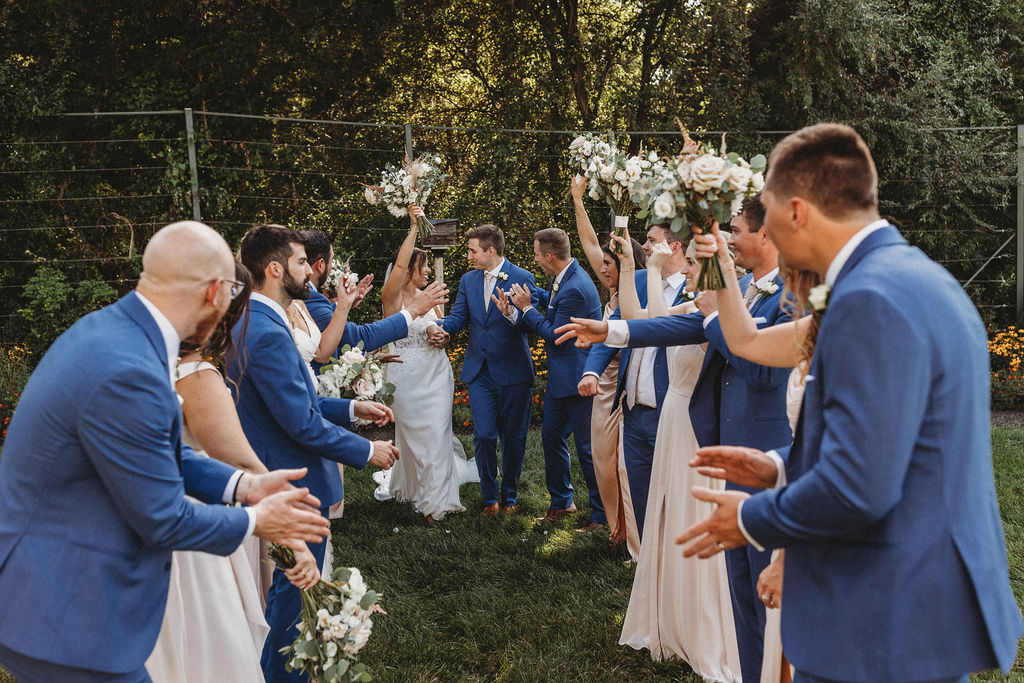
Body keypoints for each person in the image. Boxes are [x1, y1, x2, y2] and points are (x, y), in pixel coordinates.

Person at [676, 123, 1023, 682]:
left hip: (877, 621)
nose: (763, 232)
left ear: (796, 211)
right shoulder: (916, 280)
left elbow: (858, 487)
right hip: (911, 614)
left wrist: (752, 518)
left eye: (764, 213)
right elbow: (898, 447)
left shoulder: (870, 300)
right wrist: (780, 469)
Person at [0, 221, 331, 682]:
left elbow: (161, 449)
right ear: (216, 291)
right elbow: (163, 518)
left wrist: (245, 485)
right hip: (69, 613)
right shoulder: (130, 368)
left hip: (51, 588)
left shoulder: (116, 332)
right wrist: (258, 521)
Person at [554, 195, 792, 683]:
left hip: (765, 451)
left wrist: (710, 316)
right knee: (741, 584)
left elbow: (758, 367)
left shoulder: (790, 296)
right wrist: (610, 329)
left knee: (765, 589)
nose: (730, 239)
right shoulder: (743, 287)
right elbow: (678, 325)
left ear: (765, 235)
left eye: (736, 230)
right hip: (725, 439)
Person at [229, 224, 402, 683]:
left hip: (285, 480)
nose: (311, 270)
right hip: (295, 484)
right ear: (274, 268)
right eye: (302, 262)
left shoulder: (258, 318)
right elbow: (300, 423)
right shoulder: (264, 329)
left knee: (293, 603)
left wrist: (349, 406)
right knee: (292, 610)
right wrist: (367, 450)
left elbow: (295, 402)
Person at [148, 261, 320, 683]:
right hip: (198, 524)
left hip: (156, 517)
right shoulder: (199, 376)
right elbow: (242, 464)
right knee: (211, 643)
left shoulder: (147, 361)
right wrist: (294, 537)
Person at [615, 238, 741, 680]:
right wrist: (639, 268)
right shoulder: (694, 308)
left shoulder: (727, 313)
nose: (683, 270)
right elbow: (642, 322)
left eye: (690, 264)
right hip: (673, 418)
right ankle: (671, 620)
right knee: (669, 516)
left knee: (695, 515)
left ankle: (704, 627)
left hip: (697, 427)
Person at [579, 222, 692, 540]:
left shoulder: (695, 288)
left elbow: (661, 327)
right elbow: (612, 328)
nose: (644, 245)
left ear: (675, 247)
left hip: (672, 399)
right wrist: (592, 371)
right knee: (632, 479)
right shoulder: (639, 280)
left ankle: (669, 547)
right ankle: (639, 549)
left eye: (652, 240)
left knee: (671, 484)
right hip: (633, 399)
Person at [426, 224, 539, 515]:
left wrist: (512, 312)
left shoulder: (523, 277)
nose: (469, 256)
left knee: (513, 438)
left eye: (473, 250)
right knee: (485, 435)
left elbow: (533, 324)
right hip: (480, 372)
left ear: (491, 251)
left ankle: (509, 497)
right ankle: (490, 498)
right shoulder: (469, 280)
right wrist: (430, 325)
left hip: (514, 372)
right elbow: (458, 318)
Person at [373, 206, 478, 521]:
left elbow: (433, 326)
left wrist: (440, 336)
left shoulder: (426, 295)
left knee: (436, 436)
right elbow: (402, 269)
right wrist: (414, 226)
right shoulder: (391, 297)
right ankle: (416, 490)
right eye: (423, 266)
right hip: (407, 378)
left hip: (436, 376)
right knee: (416, 439)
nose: (429, 271)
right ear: (407, 270)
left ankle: (435, 504)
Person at [495, 227, 603, 527]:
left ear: (549, 256)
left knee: (587, 448)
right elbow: (553, 303)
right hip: (561, 380)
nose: (535, 260)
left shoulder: (575, 288)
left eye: (536, 255)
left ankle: (600, 513)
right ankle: (562, 502)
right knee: (551, 436)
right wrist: (531, 297)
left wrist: (526, 308)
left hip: (579, 378)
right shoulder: (564, 279)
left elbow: (555, 334)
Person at [570, 175, 645, 550]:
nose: (602, 267)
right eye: (603, 262)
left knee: (624, 464)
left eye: (610, 263)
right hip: (603, 390)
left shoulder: (636, 290)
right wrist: (578, 201)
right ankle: (616, 524)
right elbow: (587, 243)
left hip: (626, 385)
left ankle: (630, 531)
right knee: (603, 461)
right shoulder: (610, 292)